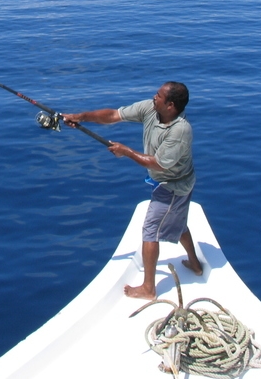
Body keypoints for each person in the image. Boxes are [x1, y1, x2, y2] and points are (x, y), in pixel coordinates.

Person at [62, 81, 202, 300]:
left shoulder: (180, 130)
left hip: (173, 186)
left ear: (171, 106)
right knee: (178, 222)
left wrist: (126, 151)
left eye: (159, 96)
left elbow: (158, 164)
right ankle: (195, 264)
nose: (154, 97)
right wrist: (80, 117)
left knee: (150, 231)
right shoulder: (150, 109)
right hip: (173, 183)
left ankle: (148, 288)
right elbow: (113, 115)